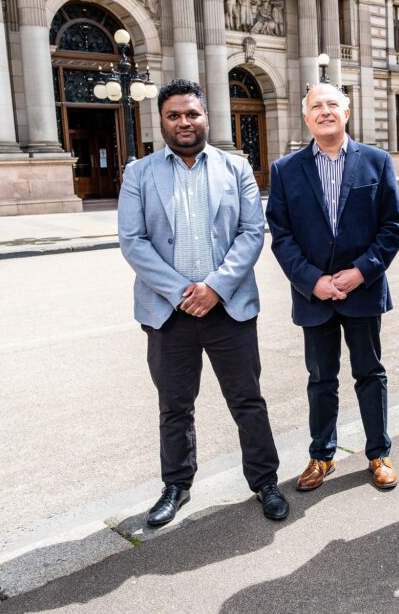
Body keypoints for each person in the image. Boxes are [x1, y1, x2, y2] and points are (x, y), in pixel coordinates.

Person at [118, 79, 288, 527]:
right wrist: (180, 292)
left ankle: (265, 482)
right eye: (174, 115)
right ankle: (176, 484)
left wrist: (215, 287)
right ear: (162, 121)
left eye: (191, 114)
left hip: (228, 308)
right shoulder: (139, 174)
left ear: (206, 117)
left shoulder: (236, 169)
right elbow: (133, 242)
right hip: (167, 313)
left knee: (247, 400)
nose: (184, 122)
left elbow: (252, 233)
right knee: (175, 406)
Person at [266, 83, 399, 493]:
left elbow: (392, 227)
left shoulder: (377, 162)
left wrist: (360, 272)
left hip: (363, 290)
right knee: (321, 378)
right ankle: (321, 455)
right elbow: (281, 235)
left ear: (347, 113)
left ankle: (378, 453)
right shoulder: (285, 169)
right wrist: (314, 281)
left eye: (332, 105)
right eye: (316, 106)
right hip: (314, 296)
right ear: (305, 116)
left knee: (370, 373)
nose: (325, 112)